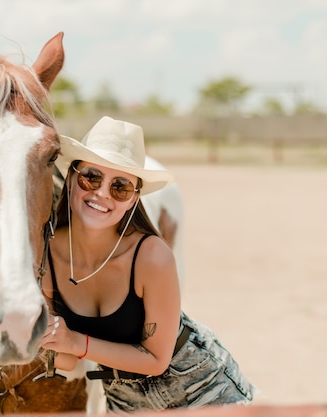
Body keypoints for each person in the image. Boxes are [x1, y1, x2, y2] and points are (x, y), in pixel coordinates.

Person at [40, 116, 257, 411]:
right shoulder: (47, 253)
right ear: (71, 177)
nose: (102, 193)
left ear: (133, 199)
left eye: (120, 187)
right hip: (123, 400)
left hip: (198, 389)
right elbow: (63, 358)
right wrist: (35, 340)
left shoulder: (151, 256)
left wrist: (76, 343)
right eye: (91, 177)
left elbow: (155, 361)